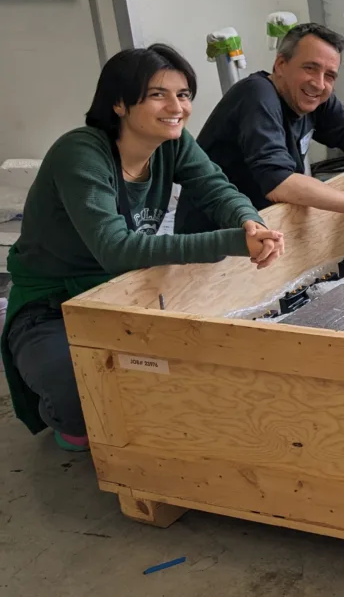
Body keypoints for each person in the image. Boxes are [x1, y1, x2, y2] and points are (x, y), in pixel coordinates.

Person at [3, 45, 284, 452]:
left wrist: (249, 220)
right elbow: (116, 249)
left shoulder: (173, 142)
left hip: (131, 289)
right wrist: (232, 243)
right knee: (81, 406)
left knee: (187, 385)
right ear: (118, 103)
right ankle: (29, 355)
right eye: (158, 94)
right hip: (54, 303)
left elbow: (217, 189)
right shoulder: (80, 153)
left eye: (184, 94)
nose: (176, 107)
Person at [175, 23, 344, 245]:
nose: (319, 83)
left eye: (330, 75)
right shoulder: (257, 95)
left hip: (264, 230)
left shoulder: (316, 99)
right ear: (280, 65)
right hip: (213, 241)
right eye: (310, 68)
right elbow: (279, 183)